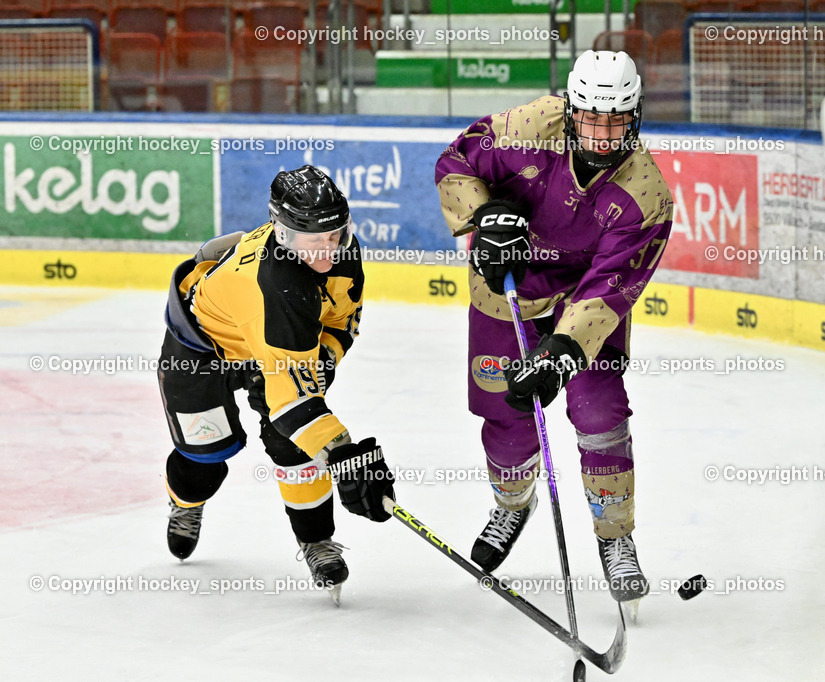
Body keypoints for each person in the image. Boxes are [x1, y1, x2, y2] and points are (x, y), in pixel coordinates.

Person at [434, 50, 673, 602]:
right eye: (592, 118)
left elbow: (611, 287)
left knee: (598, 410)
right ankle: (512, 504)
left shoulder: (647, 196)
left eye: (617, 120)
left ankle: (615, 533)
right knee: (507, 416)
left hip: (583, 309)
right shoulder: (523, 130)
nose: (603, 133)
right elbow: (456, 163)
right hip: (505, 292)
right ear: (570, 110)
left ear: (635, 116)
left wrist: (562, 353)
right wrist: (484, 216)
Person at [158, 165, 395, 605]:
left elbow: (342, 320)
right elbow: (293, 399)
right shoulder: (275, 285)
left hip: (275, 343)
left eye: (336, 235)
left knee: (294, 445)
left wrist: (324, 357)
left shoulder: (341, 250)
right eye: (313, 241)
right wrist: (344, 454)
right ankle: (186, 504)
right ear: (283, 235)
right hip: (201, 351)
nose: (329, 250)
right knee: (203, 459)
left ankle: (316, 540)